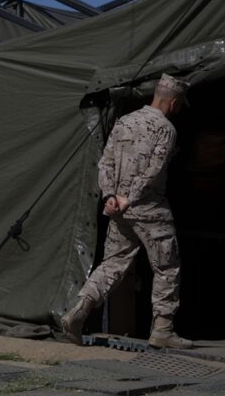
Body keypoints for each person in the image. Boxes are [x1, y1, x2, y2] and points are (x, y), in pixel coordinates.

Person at [60, 73, 193, 349]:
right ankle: (163, 330)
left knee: (112, 264)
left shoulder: (124, 122)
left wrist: (111, 196)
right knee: (167, 266)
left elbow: (105, 163)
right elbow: (153, 171)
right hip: (149, 208)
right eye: (180, 105)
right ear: (174, 101)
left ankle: (79, 310)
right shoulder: (166, 129)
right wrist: (128, 198)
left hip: (120, 211)